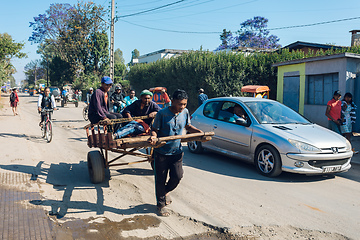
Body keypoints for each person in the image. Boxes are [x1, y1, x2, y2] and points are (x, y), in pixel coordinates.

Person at [149, 89, 203, 217]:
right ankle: (161, 205)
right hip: (161, 152)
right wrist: (153, 137)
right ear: (172, 101)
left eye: (184, 104)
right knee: (160, 180)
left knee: (177, 176)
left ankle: (165, 192)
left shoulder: (185, 112)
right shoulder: (162, 114)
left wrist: (198, 132)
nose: (182, 107)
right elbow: (154, 129)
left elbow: (188, 127)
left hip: (177, 152)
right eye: (180, 104)